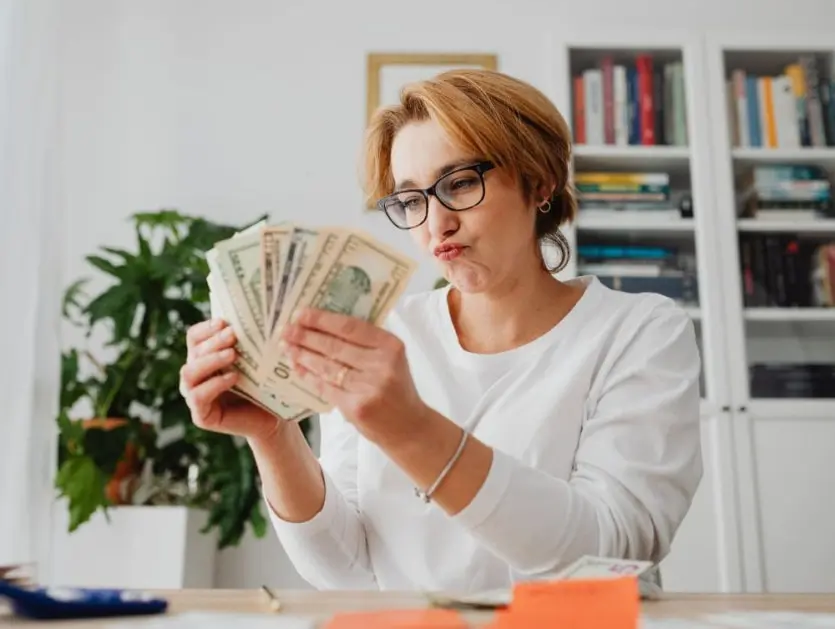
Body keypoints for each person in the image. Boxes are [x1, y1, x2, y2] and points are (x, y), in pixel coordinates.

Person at [179, 69, 702, 593]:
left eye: (459, 184)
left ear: (539, 181)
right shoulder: (381, 335)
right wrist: (273, 436)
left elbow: (614, 549)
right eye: (411, 200)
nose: (435, 224)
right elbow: (346, 570)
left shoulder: (640, 331)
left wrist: (409, 429)